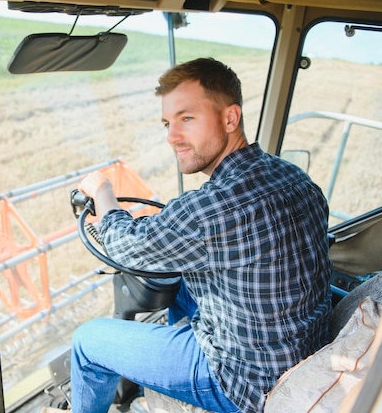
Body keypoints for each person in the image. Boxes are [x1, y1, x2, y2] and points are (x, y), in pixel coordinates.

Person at [44, 57, 332, 413]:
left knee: (87, 343)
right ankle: (171, 372)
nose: (172, 137)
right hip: (301, 347)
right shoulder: (294, 177)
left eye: (187, 119)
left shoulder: (210, 208)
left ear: (230, 118)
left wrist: (103, 192)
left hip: (245, 383)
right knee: (179, 285)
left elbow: (123, 246)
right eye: (167, 123)